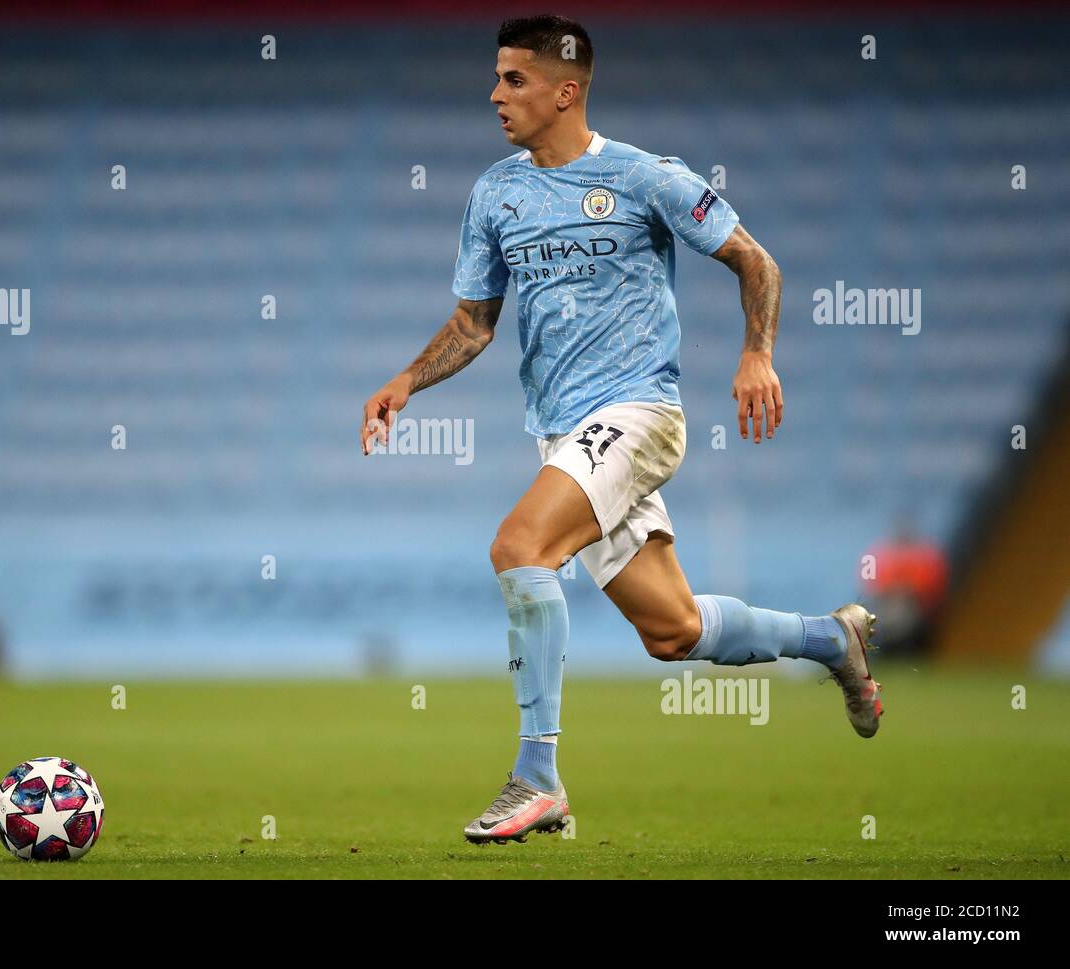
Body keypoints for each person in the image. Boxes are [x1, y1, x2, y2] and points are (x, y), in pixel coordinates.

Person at [359, 15, 881, 845]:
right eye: (496, 79)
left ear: (565, 92)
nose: (495, 95)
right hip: (563, 433)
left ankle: (537, 776)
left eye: (514, 81)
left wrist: (757, 353)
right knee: (672, 631)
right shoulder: (496, 192)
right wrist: (406, 380)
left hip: (640, 413)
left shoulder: (647, 178)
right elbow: (473, 321)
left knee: (518, 546)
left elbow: (756, 259)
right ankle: (832, 637)